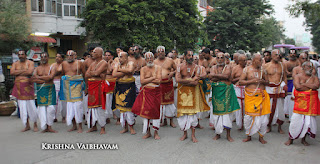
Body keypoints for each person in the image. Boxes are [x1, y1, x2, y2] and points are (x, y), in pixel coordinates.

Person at [176, 49, 210, 143]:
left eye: (192, 55)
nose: (190, 57)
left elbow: (195, 83)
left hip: (193, 94)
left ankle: (193, 135)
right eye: (189, 55)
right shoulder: (180, 67)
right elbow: (178, 79)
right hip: (182, 94)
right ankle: (185, 134)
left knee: (192, 116)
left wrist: (187, 80)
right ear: (185, 56)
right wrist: (190, 80)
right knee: (183, 115)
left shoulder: (197, 68)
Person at [285, 61, 320, 146]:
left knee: (307, 123)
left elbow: (317, 86)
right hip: (300, 104)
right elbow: (298, 87)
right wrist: (310, 86)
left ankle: (303, 139)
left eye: (311, 67)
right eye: (308, 67)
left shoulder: (314, 77)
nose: (310, 69)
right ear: (303, 68)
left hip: (310, 104)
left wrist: (303, 84)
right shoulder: (298, 76)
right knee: (295, 121)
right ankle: (291, 139)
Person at [239, 53, 271, 144]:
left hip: (262, 97)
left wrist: (263, 81)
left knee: (263, 119)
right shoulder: (247, 70)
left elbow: (268, 82)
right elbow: (240, 82)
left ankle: (261, 136)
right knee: (248, 117)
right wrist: (252, 81)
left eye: (261, 60)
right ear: (254, 60)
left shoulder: (263, 70)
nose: (261, 62)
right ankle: (248, 135)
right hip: (251, 97)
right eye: (260, 60)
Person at [210, 52, 240, 142]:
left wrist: (216, 76)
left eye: (221, 57)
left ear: (224, 59)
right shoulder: (213, 67)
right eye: (218, 57)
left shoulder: (229, 67)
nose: (219, 59)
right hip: (217, 92)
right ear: (216, 59)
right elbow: (211, 77)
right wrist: (221, 77)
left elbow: (227, 76)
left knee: (227, 114)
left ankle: (228, 135)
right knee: (217, 113)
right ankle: (217, 133)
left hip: (227, 91)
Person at [132, 52, 162, 139]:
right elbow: (142, 82)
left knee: (156, 112)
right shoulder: (143, 69)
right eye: (147, 58)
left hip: (156, 92)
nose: (149, 60)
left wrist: (148, 80)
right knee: (146, 112)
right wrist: (153, 78)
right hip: (146, 93)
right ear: (145, 60)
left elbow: (158, 81)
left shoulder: (158, 68)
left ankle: (156, 132)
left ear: (153, 58)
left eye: (151, 58)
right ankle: (148, 132)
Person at [58, 50, 85, 133]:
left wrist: (86, 87)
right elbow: (62, 74)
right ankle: (74, 126)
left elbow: (84, 74)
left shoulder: (79, 63)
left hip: (77, 86)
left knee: (78, 106)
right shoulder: (64, 64)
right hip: (67, 86)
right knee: (70, 107)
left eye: (71, 55)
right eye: (68, 55)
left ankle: (80, 126)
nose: (69, 57)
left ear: (75, 56)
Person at [11, 50, 38, 132]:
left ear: (26, 55)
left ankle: (35, 124)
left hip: (28, 87)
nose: (21, 56)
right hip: (19, 87)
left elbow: (30, 72)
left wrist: (18, 72)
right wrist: (24, 71)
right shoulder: (15, 63)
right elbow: (12, 72)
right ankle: (27, 125)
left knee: (31, 106)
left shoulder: (30, 63)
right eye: (19, 55)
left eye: (22, 54)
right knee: (22, 107)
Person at [112, 52, 137, 134]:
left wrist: (119, 70)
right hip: (120, 87)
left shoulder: (131, 63)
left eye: (121, 57)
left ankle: (131, 127)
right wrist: (126, 72)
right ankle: (125, 127)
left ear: (126, 58)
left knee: (129, 108)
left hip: (129, 87)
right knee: (122, 110)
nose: (119, 59)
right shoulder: (117, 64)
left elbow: (130, 70)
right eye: (119, 57)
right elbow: (114, 74)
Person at [85, 47, 108, 134]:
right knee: (91, 108)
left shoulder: (104, 63)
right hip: (91, 87)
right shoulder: (92, 63)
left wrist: (94, 73)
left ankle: (102, 127)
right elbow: (86, 74)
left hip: (99, 86)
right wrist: (93, 73)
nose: (92, 54)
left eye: (94, 52)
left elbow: (96, 73)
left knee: (99, 107)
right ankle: (93, 126)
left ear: (99, 54)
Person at [32, 52, 57, 133]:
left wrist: (39, 78)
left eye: (45, 56)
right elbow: (34, 79)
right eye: (42, 57)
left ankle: (49, 126)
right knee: (42, 109)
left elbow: (51, 77)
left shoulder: (52, 67)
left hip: (50, 89)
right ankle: (44, 126)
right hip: (41, 90)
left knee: (51, 108)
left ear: (48, 58)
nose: (43, 58)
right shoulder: (37, 68)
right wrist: (45, 78)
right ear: (40, 58)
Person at [264, 49, 287, 133]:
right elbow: (263, 79)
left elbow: (284, 77)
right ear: (271, 56)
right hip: (269, 90)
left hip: (280, 89)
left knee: (280, 109)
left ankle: (279, 127)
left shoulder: (282, 65)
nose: (278, 56)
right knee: (269, 108)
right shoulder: (266, 66)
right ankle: (269, 126)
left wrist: (285, 86)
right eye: (276, 55)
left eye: (279, 55)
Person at [154, 46, 177, 128]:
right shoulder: (154, 62)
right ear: (157, 53)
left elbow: (176, 69)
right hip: (159, 84)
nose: (161, 53)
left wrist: (172, 73)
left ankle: (171, 121)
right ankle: (164, 120)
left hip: (168, 84)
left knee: (169, 103)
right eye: (159, 51)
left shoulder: (170, 60)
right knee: (161, 103)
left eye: (162, 51)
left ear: (164, 52)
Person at [231, 54, 247, 130]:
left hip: (247, 89)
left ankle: (246, 123)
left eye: (246, 60)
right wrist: (239, 78)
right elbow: (231, 80)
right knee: (239, 108)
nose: (245, 62)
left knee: (246, 107)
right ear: (239, 61)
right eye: (243, 60)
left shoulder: (248, 68)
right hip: (238, 89)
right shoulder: (235, 69)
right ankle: (240, 124)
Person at [103, 50, 119, 124]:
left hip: (113, 82)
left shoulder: (114, 63)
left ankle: (113, 113)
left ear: (112, 56)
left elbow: (110, 71)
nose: (107, 57)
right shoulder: (102, 63)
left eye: (108, 55)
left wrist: (109, 63)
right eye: (106, 55)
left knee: (113, 99)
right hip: (105, 82)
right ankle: (106, 116)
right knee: (106, 99)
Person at [284, 49, 300, 120]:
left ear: (296, 54)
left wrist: (294, 74)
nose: (292, 55)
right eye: (291, 53)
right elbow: (286, 72)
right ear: (289, 54)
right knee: (289, 98)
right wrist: (294, 74)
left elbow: (300, 71)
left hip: (298, 82)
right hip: (289, 82)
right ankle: (289, 114)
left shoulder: (298, 62)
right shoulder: (287, 63)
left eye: (294, 53)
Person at [52, 53, 67, 123]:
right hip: (55, 82)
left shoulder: (65, 65)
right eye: (56, 56)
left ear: (62, 58)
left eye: (59, 57)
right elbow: (52, 74)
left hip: (63, 82)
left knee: (63, 101)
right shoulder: (53, 65)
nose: (57, 58)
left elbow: (58, 71)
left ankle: (64, 116)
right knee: (55, 100)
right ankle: (54, 116)